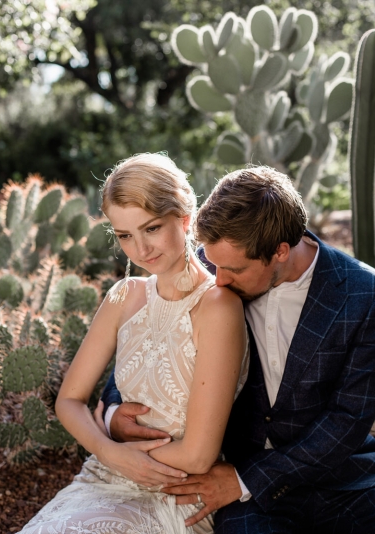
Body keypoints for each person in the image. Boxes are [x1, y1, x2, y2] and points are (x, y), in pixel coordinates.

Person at [101, 166, 375, 533]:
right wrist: (115, 410)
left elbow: (347, 419)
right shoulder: (207, 268)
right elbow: (149, 339)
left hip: (344, 481)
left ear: (280, 251)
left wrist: (244, 479)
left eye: (234, 270)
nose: (220, 279)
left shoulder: (363, 295)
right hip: (244, 492)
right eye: (214, 263)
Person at [19, 153, 249, 534]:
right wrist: (109, 451)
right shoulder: (124, 296)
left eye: (152, 228)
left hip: (176, 491)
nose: (141, 249)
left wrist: (118, 453)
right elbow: (69, 401)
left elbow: (197, 454)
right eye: (125, 235)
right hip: (101, 477)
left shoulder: (218, 306)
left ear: (186, 218)